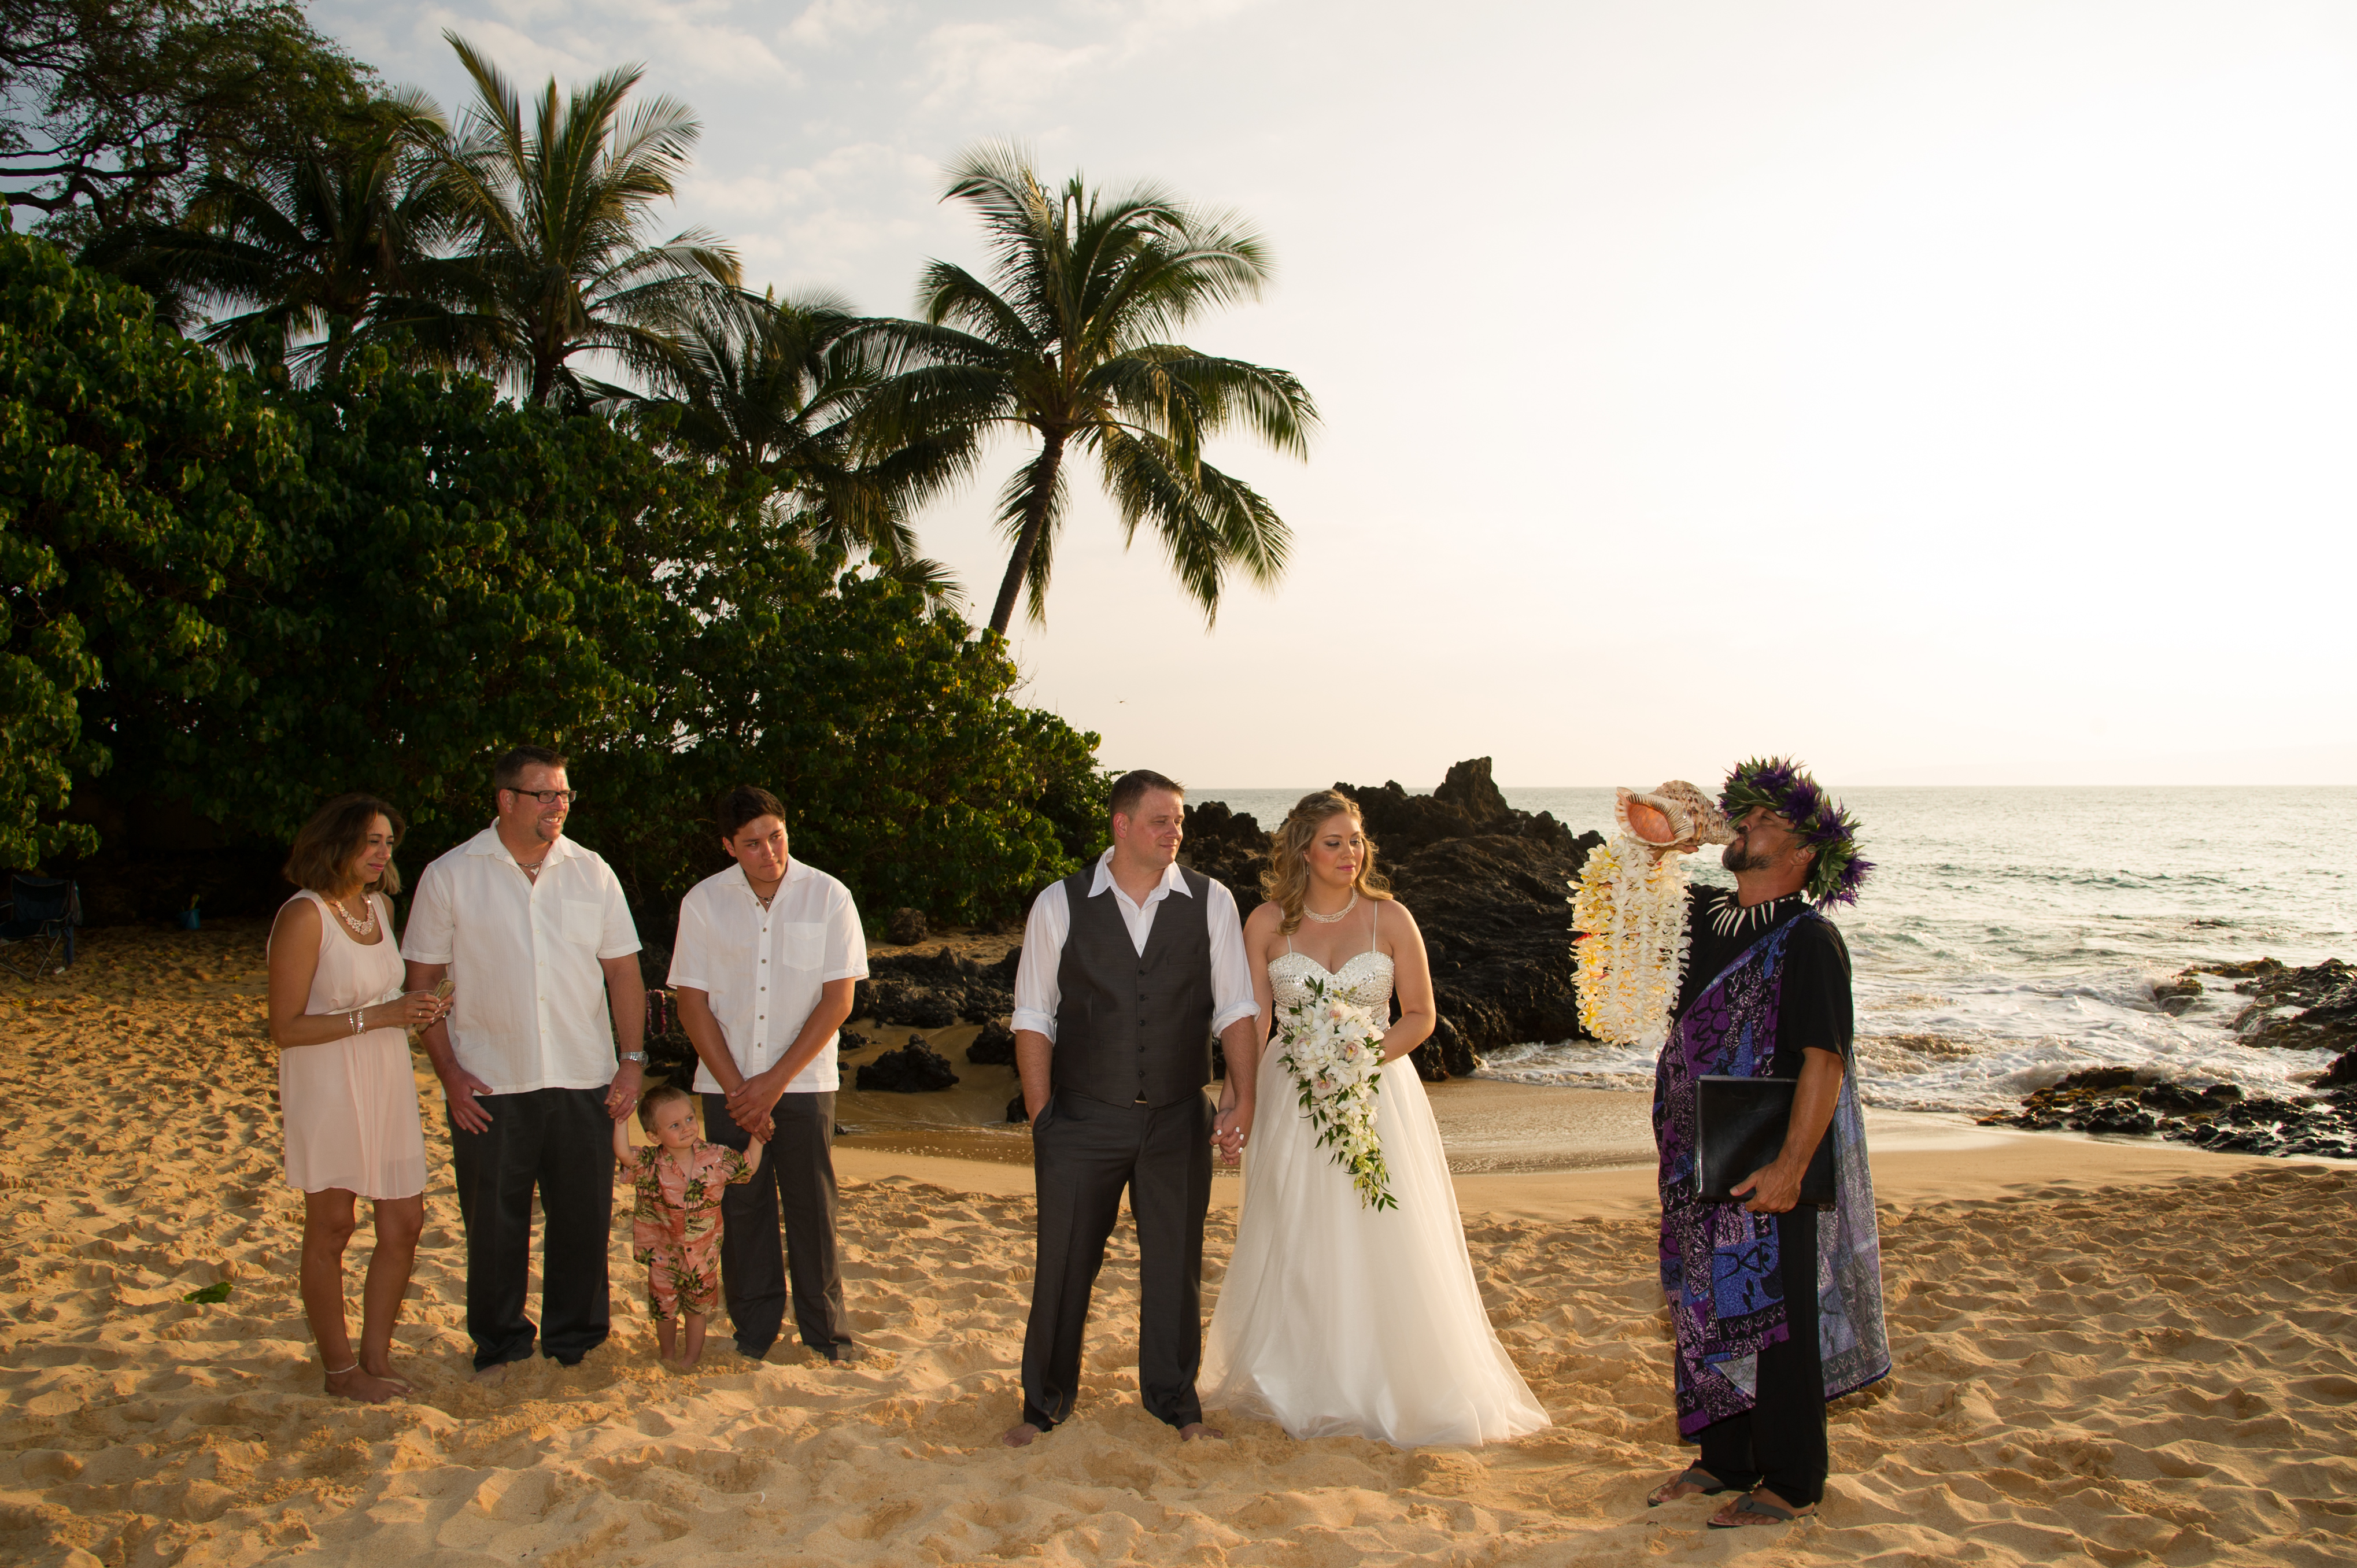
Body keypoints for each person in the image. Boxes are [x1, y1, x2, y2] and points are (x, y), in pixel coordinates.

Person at [1197, 790, 1551, 1447]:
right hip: (1292, 1095)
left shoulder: (1389, 919)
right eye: (1333, 842)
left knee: (1379, 1227)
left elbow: (1420, 1014)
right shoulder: (1267, 922)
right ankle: (1301, 1375)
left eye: (1356, 840)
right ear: (1302, 848)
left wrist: (1358, 1056)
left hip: (1376, 1093)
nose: (1349, 853)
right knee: (1297, 1226)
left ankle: (1385, 1377)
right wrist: (1238, 1094)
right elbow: (1253, 1018)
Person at [1641, 758, 1889, 1528]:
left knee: (1777, 1316)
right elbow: (1633, 875)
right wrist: (1691, 827)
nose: (1747, 827)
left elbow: (1826, 1059)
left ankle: (1789, 1479)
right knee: (1702, 1303)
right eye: (1743, 818)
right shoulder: (1707, 917)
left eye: (1765, 823)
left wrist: (1790, 1166)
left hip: (1770, 1154)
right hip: (1695, 1150)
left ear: (1807, 852)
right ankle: (1725, 1459)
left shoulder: (1811, 940)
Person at [1002, 770, 1262, 1448]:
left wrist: (1243, 1097)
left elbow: (1236, 1006)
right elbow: (1032, 1015)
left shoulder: (1211, 902)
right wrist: (1042, 1118)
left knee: (1175, 1265)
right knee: (1062, 1264)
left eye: (1178, 821)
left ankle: (1175, 1404)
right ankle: (1044, 1405)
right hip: (1081, 1120)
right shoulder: (1058, 904)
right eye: (1160, 820)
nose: (1174, 831)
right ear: (1121, 826)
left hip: (1179, 1117)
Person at [402, 746, 647, 1378]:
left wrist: (631, 1061)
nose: (559, 806)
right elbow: (421, 985)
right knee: (493, 1229)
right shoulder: (451, 874)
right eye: (545, 795)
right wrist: (450, 1074)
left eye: (565, 795)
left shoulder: (592, 872)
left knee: (583, 1224)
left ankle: (577, 1341)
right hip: (489, 1083)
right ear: (506, 799)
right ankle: (501, 1344)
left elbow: (623, 973)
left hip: (583, 1078)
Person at [668, 786, 869, 1364]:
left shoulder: (828, 896)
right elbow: (691, 1003)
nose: (768, 853)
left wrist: (774, 1082)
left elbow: (837, 1000)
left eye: (776, 837)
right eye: (752, 844)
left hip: (804, 1085)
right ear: (728, 846)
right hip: (724, 1089)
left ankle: (826, 1335)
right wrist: (739, 1090)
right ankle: (754, 1332)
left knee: (813, 1210)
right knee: (741, 1209)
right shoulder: (704, 903)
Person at [265, 794, 449, 1403]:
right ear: (336, 841)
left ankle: (375, 1356)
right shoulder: (304, 916)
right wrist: (382, 1016)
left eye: (389, 843)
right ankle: (340, 1371)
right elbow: (285, 1028)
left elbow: (385, 999)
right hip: (328, 1080)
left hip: (386, 1075)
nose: (383, 853)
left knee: (404, 1221)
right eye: (372, 841)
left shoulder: (380, 908)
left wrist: (416, 1010)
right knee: (333, 1226)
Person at [613, 1083, 764, 1371]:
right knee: (664, 1311)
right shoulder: (650, 1163)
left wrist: (758, 1135)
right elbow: (623, 1153)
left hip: (703, 1257)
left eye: (690, 1119)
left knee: (697, 1311)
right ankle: (668, 1353)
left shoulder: (716, 1157)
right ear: (654, 1135)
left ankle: (692, 1356)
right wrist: (621, 1118)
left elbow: (749, 1166)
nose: (686, 1128)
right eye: (674, 1125)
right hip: (663, 1255)